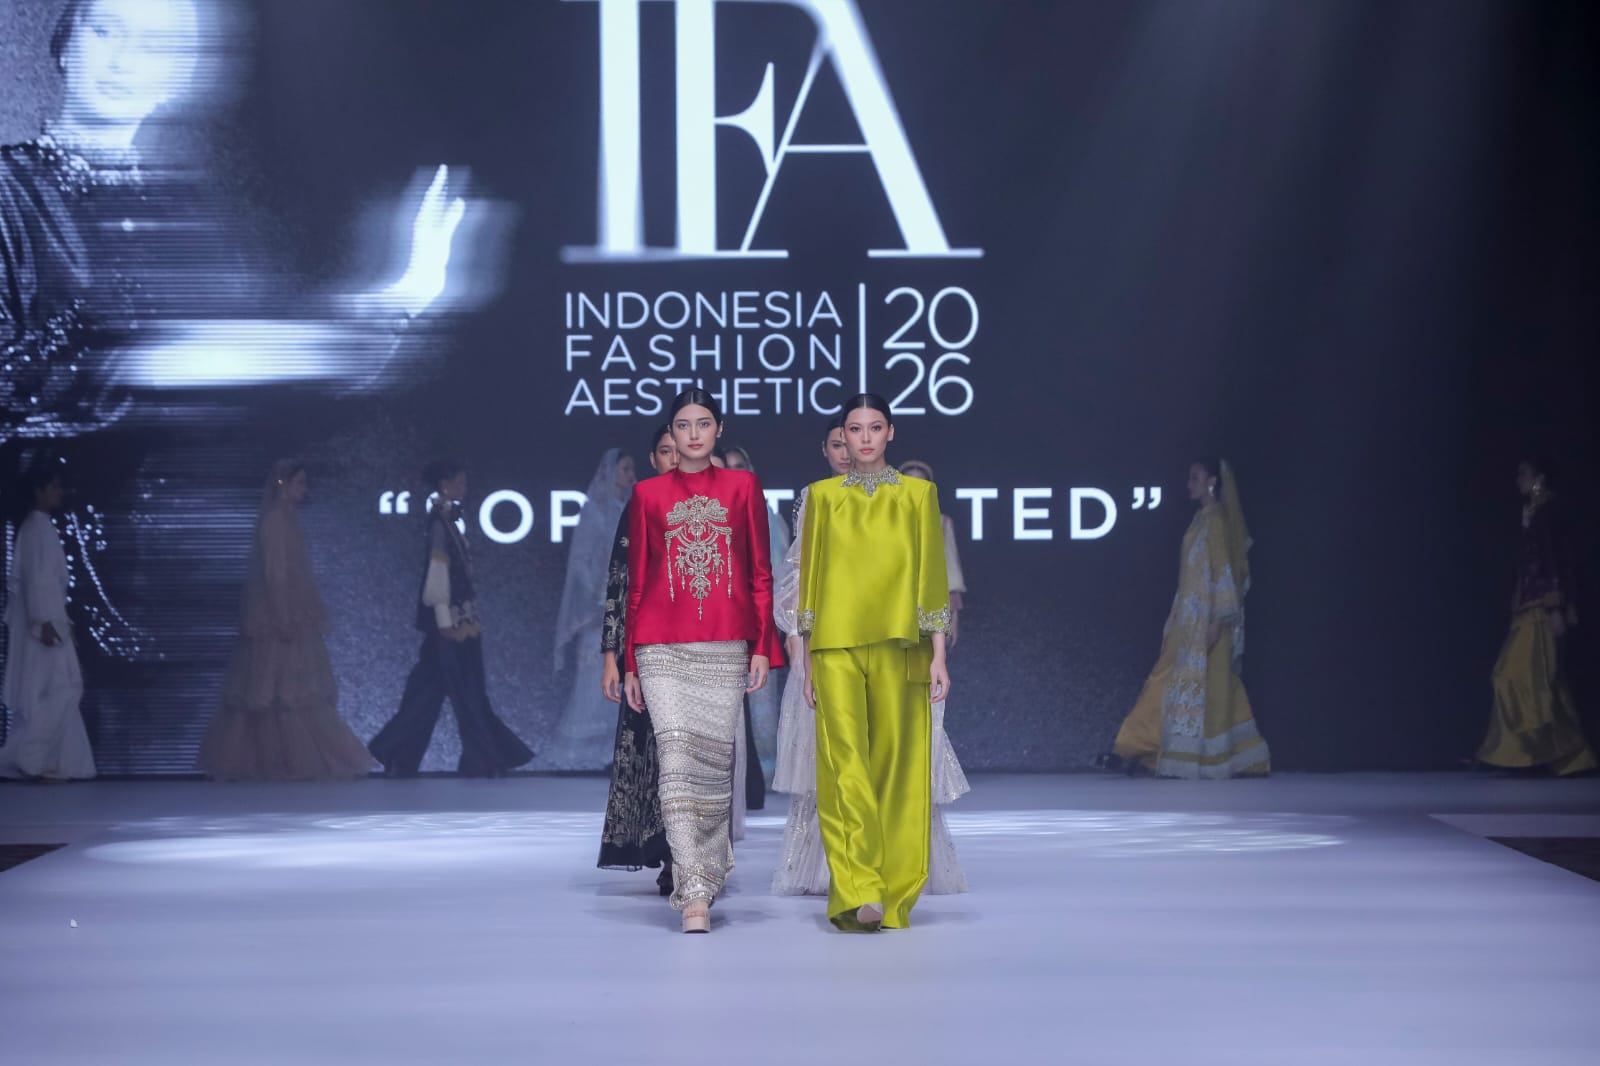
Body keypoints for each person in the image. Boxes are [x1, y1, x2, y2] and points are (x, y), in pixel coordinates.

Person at [772, 427, 970, 896]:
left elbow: (925, 573)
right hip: (832, 642)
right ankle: (833, 871)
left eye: (862, 435)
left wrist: (935, 645)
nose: (849, 450)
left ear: (887, 437)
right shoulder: (819, 498)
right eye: (839, 443)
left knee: (897, 755)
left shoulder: (904, 496)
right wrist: (799, 636)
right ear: (826, 450)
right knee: (835, 758)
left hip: (896, 642)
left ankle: (894, 867)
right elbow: (799, 573)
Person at [623, 389, 782, 933]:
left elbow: (760, 574)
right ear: (671, 433)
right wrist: (629, 661)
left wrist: (761, 646)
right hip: (660, 646)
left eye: (703, 423)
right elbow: (637, 584)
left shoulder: (743, 488)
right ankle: (692, 889)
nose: (693, 434)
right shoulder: (647, 494)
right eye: (683, 425)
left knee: (714, 774)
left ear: (719, 429)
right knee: (674, 763)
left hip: (724, 644)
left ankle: (708, 871)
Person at [195, 461, 372, 781]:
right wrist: (282, 614)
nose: (304, 490)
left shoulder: (286, 518)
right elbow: (274, 574)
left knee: (281, 690)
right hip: (279, 618)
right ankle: (273, 762)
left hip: (290, 613)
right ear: (282, 483)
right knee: (276, 691)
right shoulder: (276, 521)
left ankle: (277, 762)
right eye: (299, 483)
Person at [1105, 458, 1270, 779]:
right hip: (1189, 620)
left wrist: (1217, 622)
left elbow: (1224, 574)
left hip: (1208, 622)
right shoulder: (1201, 520)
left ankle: (1148, 752)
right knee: (1173, 682)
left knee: (1214, 687)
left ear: (1212, 482)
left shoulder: (1216, 522)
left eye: (1195, 477)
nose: (1189, 484)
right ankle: (1138, 749)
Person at [368, 460, 533, 777]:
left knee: (430, 692)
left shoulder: (446, 520)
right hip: (450, 624)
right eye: (459, 482)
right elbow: (437, 572)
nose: (463, 487)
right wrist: (443, 617)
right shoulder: (438, 524)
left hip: (460, 619)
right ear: (444, 485)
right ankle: (481, 757)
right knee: (462, 691)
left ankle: (402, 756)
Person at [1474, 459, 1596, 775]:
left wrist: (1557, 608)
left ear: (1539, 477)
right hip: (1528, 608)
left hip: (1542, 610)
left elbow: (1555, 560)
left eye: (1524, 473)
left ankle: (1554, 756)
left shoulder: (1547, 512)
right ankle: (1528, 756)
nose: (1518, 479)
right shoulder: (1532, 512)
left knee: (1529, 682)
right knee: (1524, 680)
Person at [597, 424, 677, 894]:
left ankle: (695, 855)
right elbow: (619, 582)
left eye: (679, 449)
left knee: (694, 756)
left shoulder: (713, 501)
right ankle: (666, 853)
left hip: (703, 647)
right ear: (653, 459)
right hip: (645, 648)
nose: (674, 457)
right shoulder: (642, 503)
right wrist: (611, 655)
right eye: (664, 451)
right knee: (652, 751)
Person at [539, 449, 636, 770]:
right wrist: (601, 587)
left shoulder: (632, 508)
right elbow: (581, 560)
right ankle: (583, 750)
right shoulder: (595, 511)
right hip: (602, 604)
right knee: (596, 673)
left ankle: (614, 748)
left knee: (624, 671)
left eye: (631, 469)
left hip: (629, 601)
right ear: (610, 472)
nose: (630, 475)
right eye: (625, 468)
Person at [0, 464, 97, 781]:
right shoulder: (36, 528)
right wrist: (43, 621)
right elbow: (36, 579)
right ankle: (30, 757)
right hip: (45, 625)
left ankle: (54, 761)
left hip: (52, 622)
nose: (59, 492)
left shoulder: (38, 527)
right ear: (38, 490)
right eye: (53, 486)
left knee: (51, 691)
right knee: (61, 689)